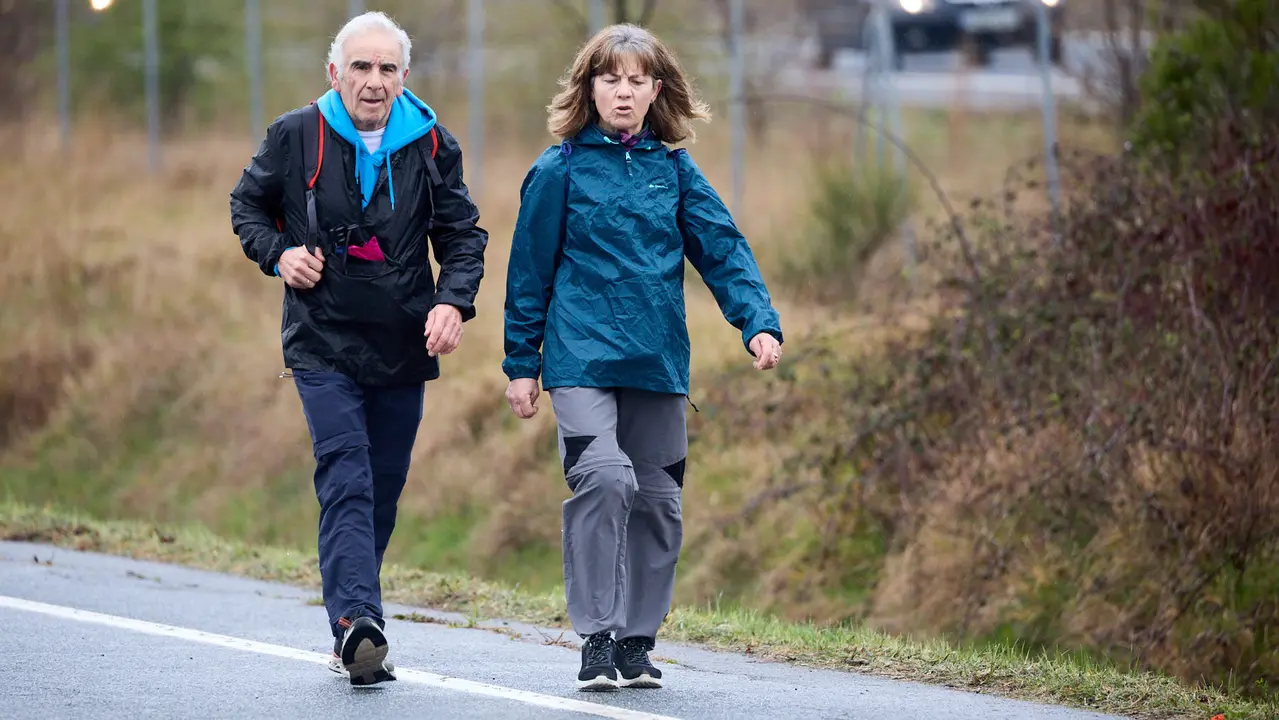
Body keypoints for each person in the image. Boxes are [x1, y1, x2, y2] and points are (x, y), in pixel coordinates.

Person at [501, 23, 784, 692]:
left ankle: (635, 642)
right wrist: (522, 363)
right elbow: (527, 273)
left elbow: (723, 251)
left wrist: (757, 324)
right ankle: (595, 639)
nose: (623, 93)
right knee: (604, 478)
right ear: (589, 88)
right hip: (578, 359)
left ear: (656, 91)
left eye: (636, 81)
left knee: (659, 502)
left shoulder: (675, 170)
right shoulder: (558, 170)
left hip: (656, 360)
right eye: (610, 80)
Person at [229, 11, 488, 686]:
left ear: (404, 76)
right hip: (323, 341)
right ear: (334, 71)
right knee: (345, 473)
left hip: (403, 341)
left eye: (386, 69)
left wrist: (451, 302)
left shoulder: (431, 142)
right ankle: (357, 626)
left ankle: (354, 620)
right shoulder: (296, 135)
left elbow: (462, 235)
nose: (373, 82)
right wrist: (280, 254)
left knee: (382, 490)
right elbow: (247, 207)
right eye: (360, 67)